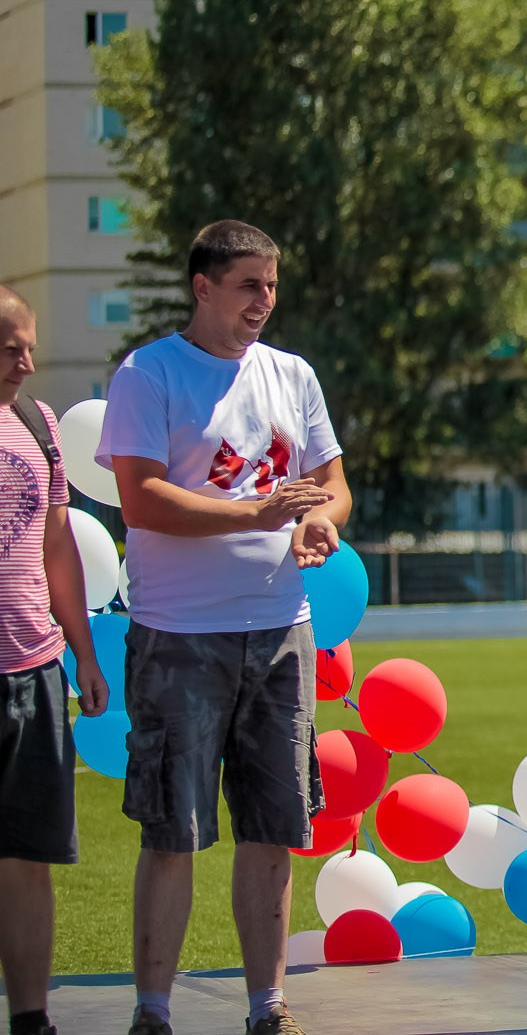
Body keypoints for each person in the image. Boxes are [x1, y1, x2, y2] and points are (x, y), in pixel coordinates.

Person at [99, 221, 348, 1035]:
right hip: (178, 635)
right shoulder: (149, 372)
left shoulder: (293, 374)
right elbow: (140, 500)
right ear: (202, 286)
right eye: (248, 284)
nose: (263, 301)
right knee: (174, 830)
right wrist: (259, 509)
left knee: (275, 828)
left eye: (272, 285)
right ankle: (153, 1010)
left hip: (283, 630)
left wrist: (324, 524)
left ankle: (267, 1005)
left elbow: (331, 486)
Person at [0, 287, 110, 1035]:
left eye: (30, 345)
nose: (29, 361)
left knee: (28, 856)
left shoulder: (38, 423)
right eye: (13, 347)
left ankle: (32, 1019)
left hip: (34, 672)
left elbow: (55, 546)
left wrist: (83, 653)